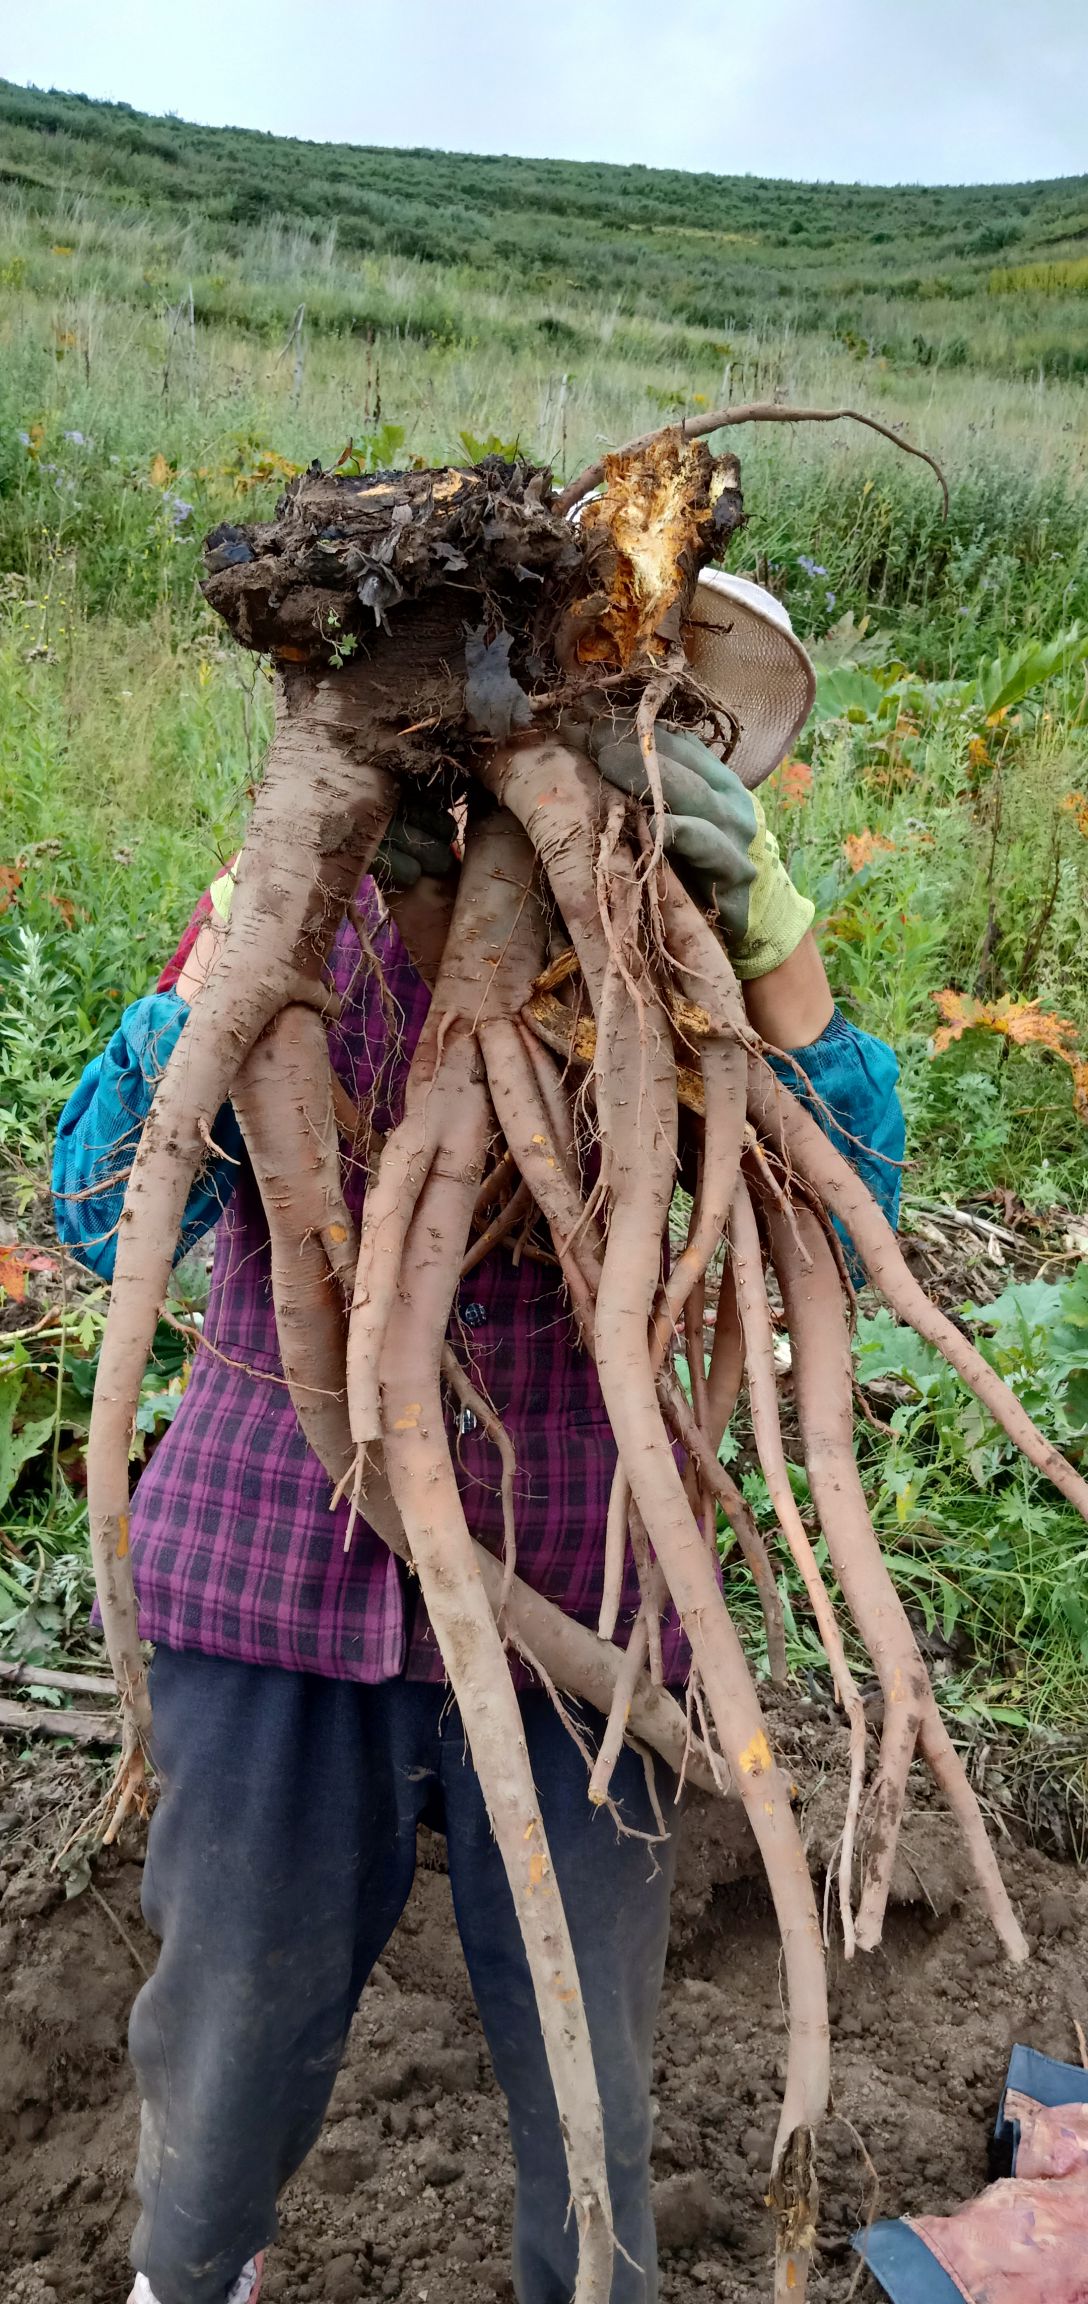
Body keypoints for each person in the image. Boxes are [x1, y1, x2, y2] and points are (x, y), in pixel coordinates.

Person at [53, 575, 904, 2304]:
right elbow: (91, 1201)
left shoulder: (683, 963)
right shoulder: (312, 923)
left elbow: (844, 1231)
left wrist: (775, 955)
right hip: (272, 1567)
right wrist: (259, 915)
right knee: (228, 2030)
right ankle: (187, 2277)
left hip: (586, 1605)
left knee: (591, 2065)